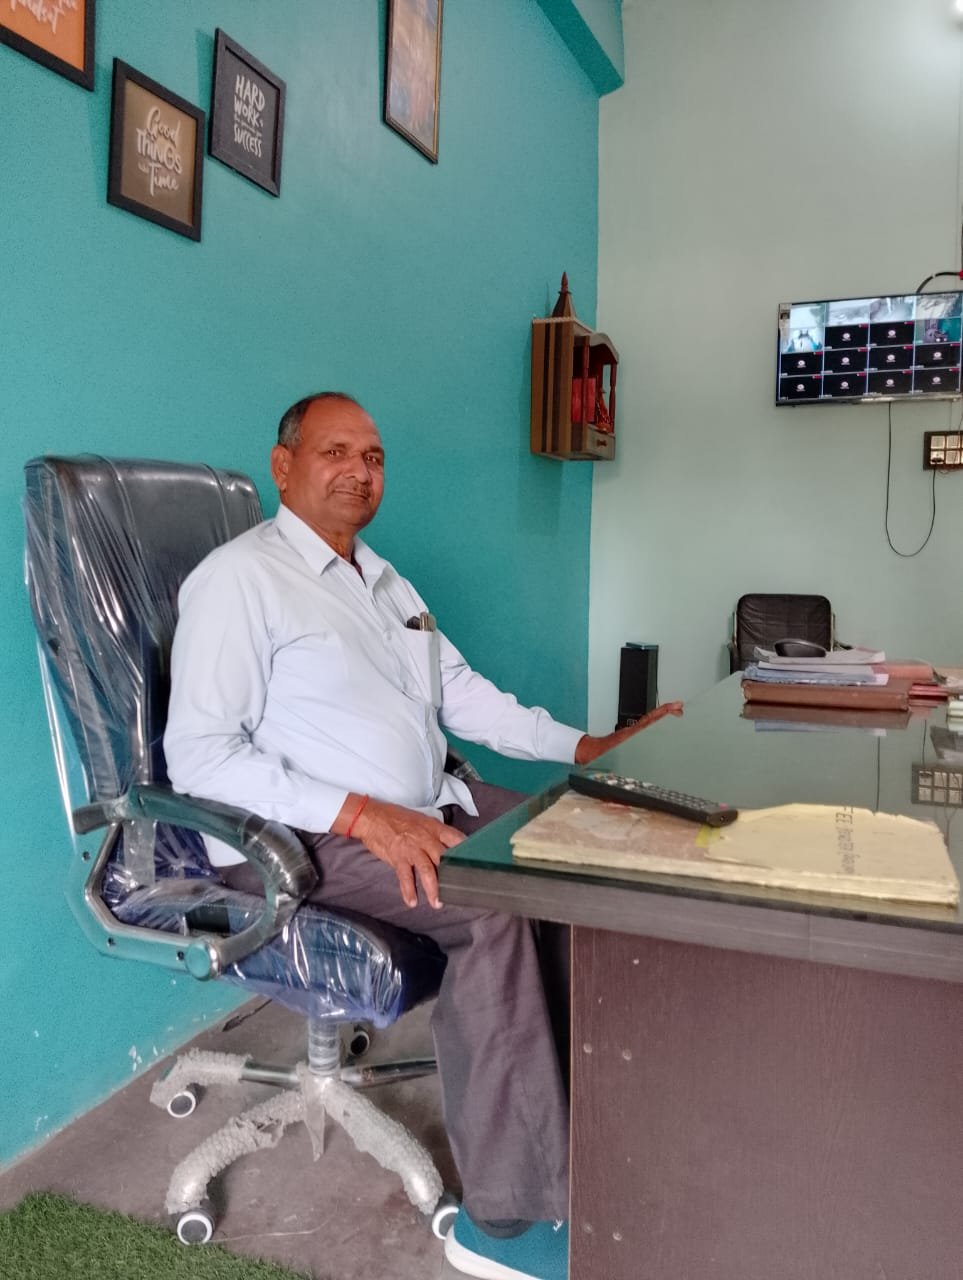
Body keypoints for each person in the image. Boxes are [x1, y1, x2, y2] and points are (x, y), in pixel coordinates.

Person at [164, 392, 682, 1280]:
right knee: (495, 907)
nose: (359, 471)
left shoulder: (382, 579)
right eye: (335, 452)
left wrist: (585, 747)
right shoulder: (238, 580)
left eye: (372, 457)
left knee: (576, 845)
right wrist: (364, 814)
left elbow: (463, 695)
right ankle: (511, 1218)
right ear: (283, 466)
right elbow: (200, 757)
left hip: (427, 801)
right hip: (298, 840)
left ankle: (589, 1113)